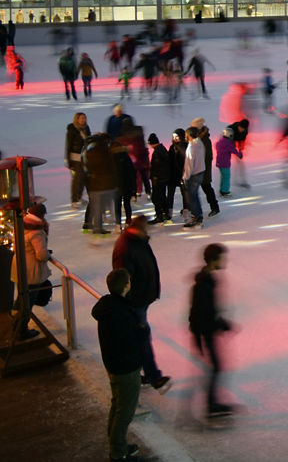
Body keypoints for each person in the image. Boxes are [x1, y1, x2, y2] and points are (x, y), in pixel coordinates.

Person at [111, 215, 172, 396]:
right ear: (137, 228)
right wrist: (129, 302)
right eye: (146, 228)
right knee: (142, 339)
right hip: (135, 302)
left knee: (139, 339)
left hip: (142, 299)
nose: (148, 231)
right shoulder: (126, 247)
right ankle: (154, 378)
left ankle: (139, 375)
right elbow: (123, 279)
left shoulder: (137, 241)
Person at [93, 268, 144, 461]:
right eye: (129, 281)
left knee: (118, 405)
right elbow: (129, 341)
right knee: (125, 411)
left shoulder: (109, 306)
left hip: (114, 365)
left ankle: (118, 445)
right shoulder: (121, 313)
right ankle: (117, 453)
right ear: (126, 285)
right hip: (125, 368)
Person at [190, 243, 235, 420]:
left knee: (216, 367)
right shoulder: (203, 284)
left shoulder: (207, 280)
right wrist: (221, 325)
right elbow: (201, 313)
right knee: (215, 367)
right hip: (205, 332)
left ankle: (212, 403)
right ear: (214, 260)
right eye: (223, 258)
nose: (226, 261)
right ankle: (211, 405)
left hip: (206, 331)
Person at [10, 202, 51, 340]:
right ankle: (21, 330)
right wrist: (48, 254)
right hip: (31, 272)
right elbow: (41, 255)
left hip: (20, 268)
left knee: (21, 297)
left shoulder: (20, 224)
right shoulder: (36, 232)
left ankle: (15, 324)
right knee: (28, 301)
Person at [181, 126, 207, 229]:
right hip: (201, 172)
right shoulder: (199, 143)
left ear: (189, 135)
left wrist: (185, 177)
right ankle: (198, 215)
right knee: (195, 195)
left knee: (192, 197)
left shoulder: (191, 148)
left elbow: (189, 165)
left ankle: (196, 217)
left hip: (194, 174)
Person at [66, 111, 91, 207]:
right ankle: (74, 199)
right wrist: (69, 161)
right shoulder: (72, 129)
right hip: (75, 157)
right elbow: (68, 145)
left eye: (84, 118)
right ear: (77, 119)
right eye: (81, 118)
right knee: (77, 179)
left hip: (85, 156)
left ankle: (79, 197)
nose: (83, 120)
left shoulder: (86, 128)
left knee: (84, 179)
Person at [214, 128, 242, 196]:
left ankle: (222, 189)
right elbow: (234, 150)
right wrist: (240, 154)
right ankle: (225, 191)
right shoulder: (228, 143)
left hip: (219, 162)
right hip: (225, 163)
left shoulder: (219, 142)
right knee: (226, 177)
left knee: (223, 176)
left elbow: (216, 146)